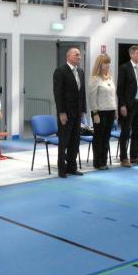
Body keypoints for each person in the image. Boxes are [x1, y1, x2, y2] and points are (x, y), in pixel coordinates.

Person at [53, 47, 86, 178]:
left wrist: (83, 110)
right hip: (65, 113)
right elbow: (58, 93)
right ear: (69, 57)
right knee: (64, 142)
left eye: (80, 55)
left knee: (75, 141)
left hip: (77, 113)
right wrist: (61, 112)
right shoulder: (61, 71)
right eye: (76, 55)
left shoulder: (80, 71)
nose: (79, 57)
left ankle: (72, 167)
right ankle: (62, 169)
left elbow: (82, 93)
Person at [117, 45, 138, 167]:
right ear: (131, 54)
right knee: (125, 132)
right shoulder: (124, 68)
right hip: (128, 105)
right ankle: (123, 158)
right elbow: (120, 89)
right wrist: (122, 105)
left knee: (137, 131)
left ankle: (134, 156)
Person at [88, 54, 116, 170]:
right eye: (105, 63)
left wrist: (115, 109)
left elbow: (113, 96)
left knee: (106, 137)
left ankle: (104, 161)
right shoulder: (95, 78)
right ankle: (97, 162)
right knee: (99, 137)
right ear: (100, 64)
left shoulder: (110, 78)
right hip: (100, 111)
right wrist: (95, 112)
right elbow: (92, 97)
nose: (108, 65)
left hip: (110, 110)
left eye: (108, 63)